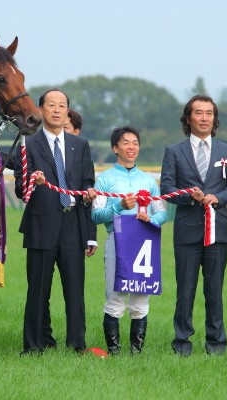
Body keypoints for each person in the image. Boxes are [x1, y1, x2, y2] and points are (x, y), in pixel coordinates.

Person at [15, 89, 97, 354]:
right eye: (52, 105)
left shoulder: (80, 145)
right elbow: (19, 188)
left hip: (72, 224)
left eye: (62, 106)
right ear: (41, 110)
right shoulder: (28, 145)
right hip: (41, 224)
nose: (57, 110)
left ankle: (77, 345)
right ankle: (34, 345)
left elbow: (87, 183)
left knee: (75, 290)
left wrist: (88, 194)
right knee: (38, 289)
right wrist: (31, 181)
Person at [160, 94, 227, 356]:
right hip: (187, 230)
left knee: (214, 290)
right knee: (185, 290)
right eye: (199, 113)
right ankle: (182, 343)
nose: (204, 118)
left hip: (218, 231)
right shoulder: (173, 151)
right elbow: (167, 188)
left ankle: (216, 344)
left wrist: (217, 198)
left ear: (214, 119)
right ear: (188, 118)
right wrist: (188, 195)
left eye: (209, 113)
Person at [92, 126, 167, 355]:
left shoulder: (149, 181)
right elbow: (96, 215)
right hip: (117, 240)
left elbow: (162, 213)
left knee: (141, 299)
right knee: (115, 297)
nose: (131, 147)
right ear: (115, 148)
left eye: (135, 142)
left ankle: (136, 353)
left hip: (144, 242)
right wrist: (119, 206)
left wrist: (150, 219)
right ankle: (114, 352)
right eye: (126, 143)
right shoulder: (104, 179)